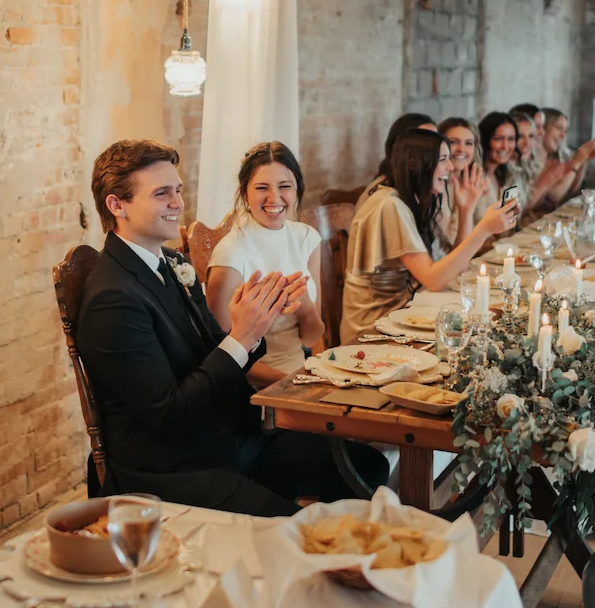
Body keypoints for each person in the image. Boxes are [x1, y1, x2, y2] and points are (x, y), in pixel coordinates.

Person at [77, 139, 389, 516]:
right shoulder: (113, 298)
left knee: (368, 465)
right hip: (173, 466)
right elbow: (167, 419)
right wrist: (242, 336)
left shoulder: (171, 263)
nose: (178, 203)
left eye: (177, 190)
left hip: (227, 435)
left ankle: (343, 558)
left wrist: (253, 323)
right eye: (162, 194)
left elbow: (213, 347)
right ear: (117, 204)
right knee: (294, 525)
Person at [341, 129, 518, 341]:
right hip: (374, 329)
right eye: (442, 159)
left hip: (405, 313)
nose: (450, 167)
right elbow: (434, 279)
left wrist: (466, 210)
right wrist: (483, 229)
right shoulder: (388, 204)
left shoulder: (410, 199)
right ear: (415, 163)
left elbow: (452, 268)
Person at [206, 142, 324, 383]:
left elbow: (312, 337)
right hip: (254, 388)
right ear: (245, 192)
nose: (274, 198)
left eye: (285, 187)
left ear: (297, 190)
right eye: (262, 187)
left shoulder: (306, 238)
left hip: (300, 373)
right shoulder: (230, 254)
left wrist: (305, 306)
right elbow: (219, 354)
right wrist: (289, 384)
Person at [475, 111, 567, 227]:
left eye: (511, 139)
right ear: (485, 140)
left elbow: (515, 217)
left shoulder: (504, 171)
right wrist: (543, 184)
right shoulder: (478, 176)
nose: (505, 146)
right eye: (498, 139)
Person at [537, 108, 595, 205]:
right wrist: (576, 162)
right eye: (559, 128)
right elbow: (555, 195)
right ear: (542, 128)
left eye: (565, 131)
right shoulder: (532, 161)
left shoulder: (555, 157)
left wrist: (584, 160)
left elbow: (573, 189)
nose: (563, 135)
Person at [436, 117, 488, 255]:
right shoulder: (436, 187)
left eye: (468, 143)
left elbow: (490, 231)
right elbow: (453, 242)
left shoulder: (474, 178)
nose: (461, 149)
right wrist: (464, 208)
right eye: (453, 142)